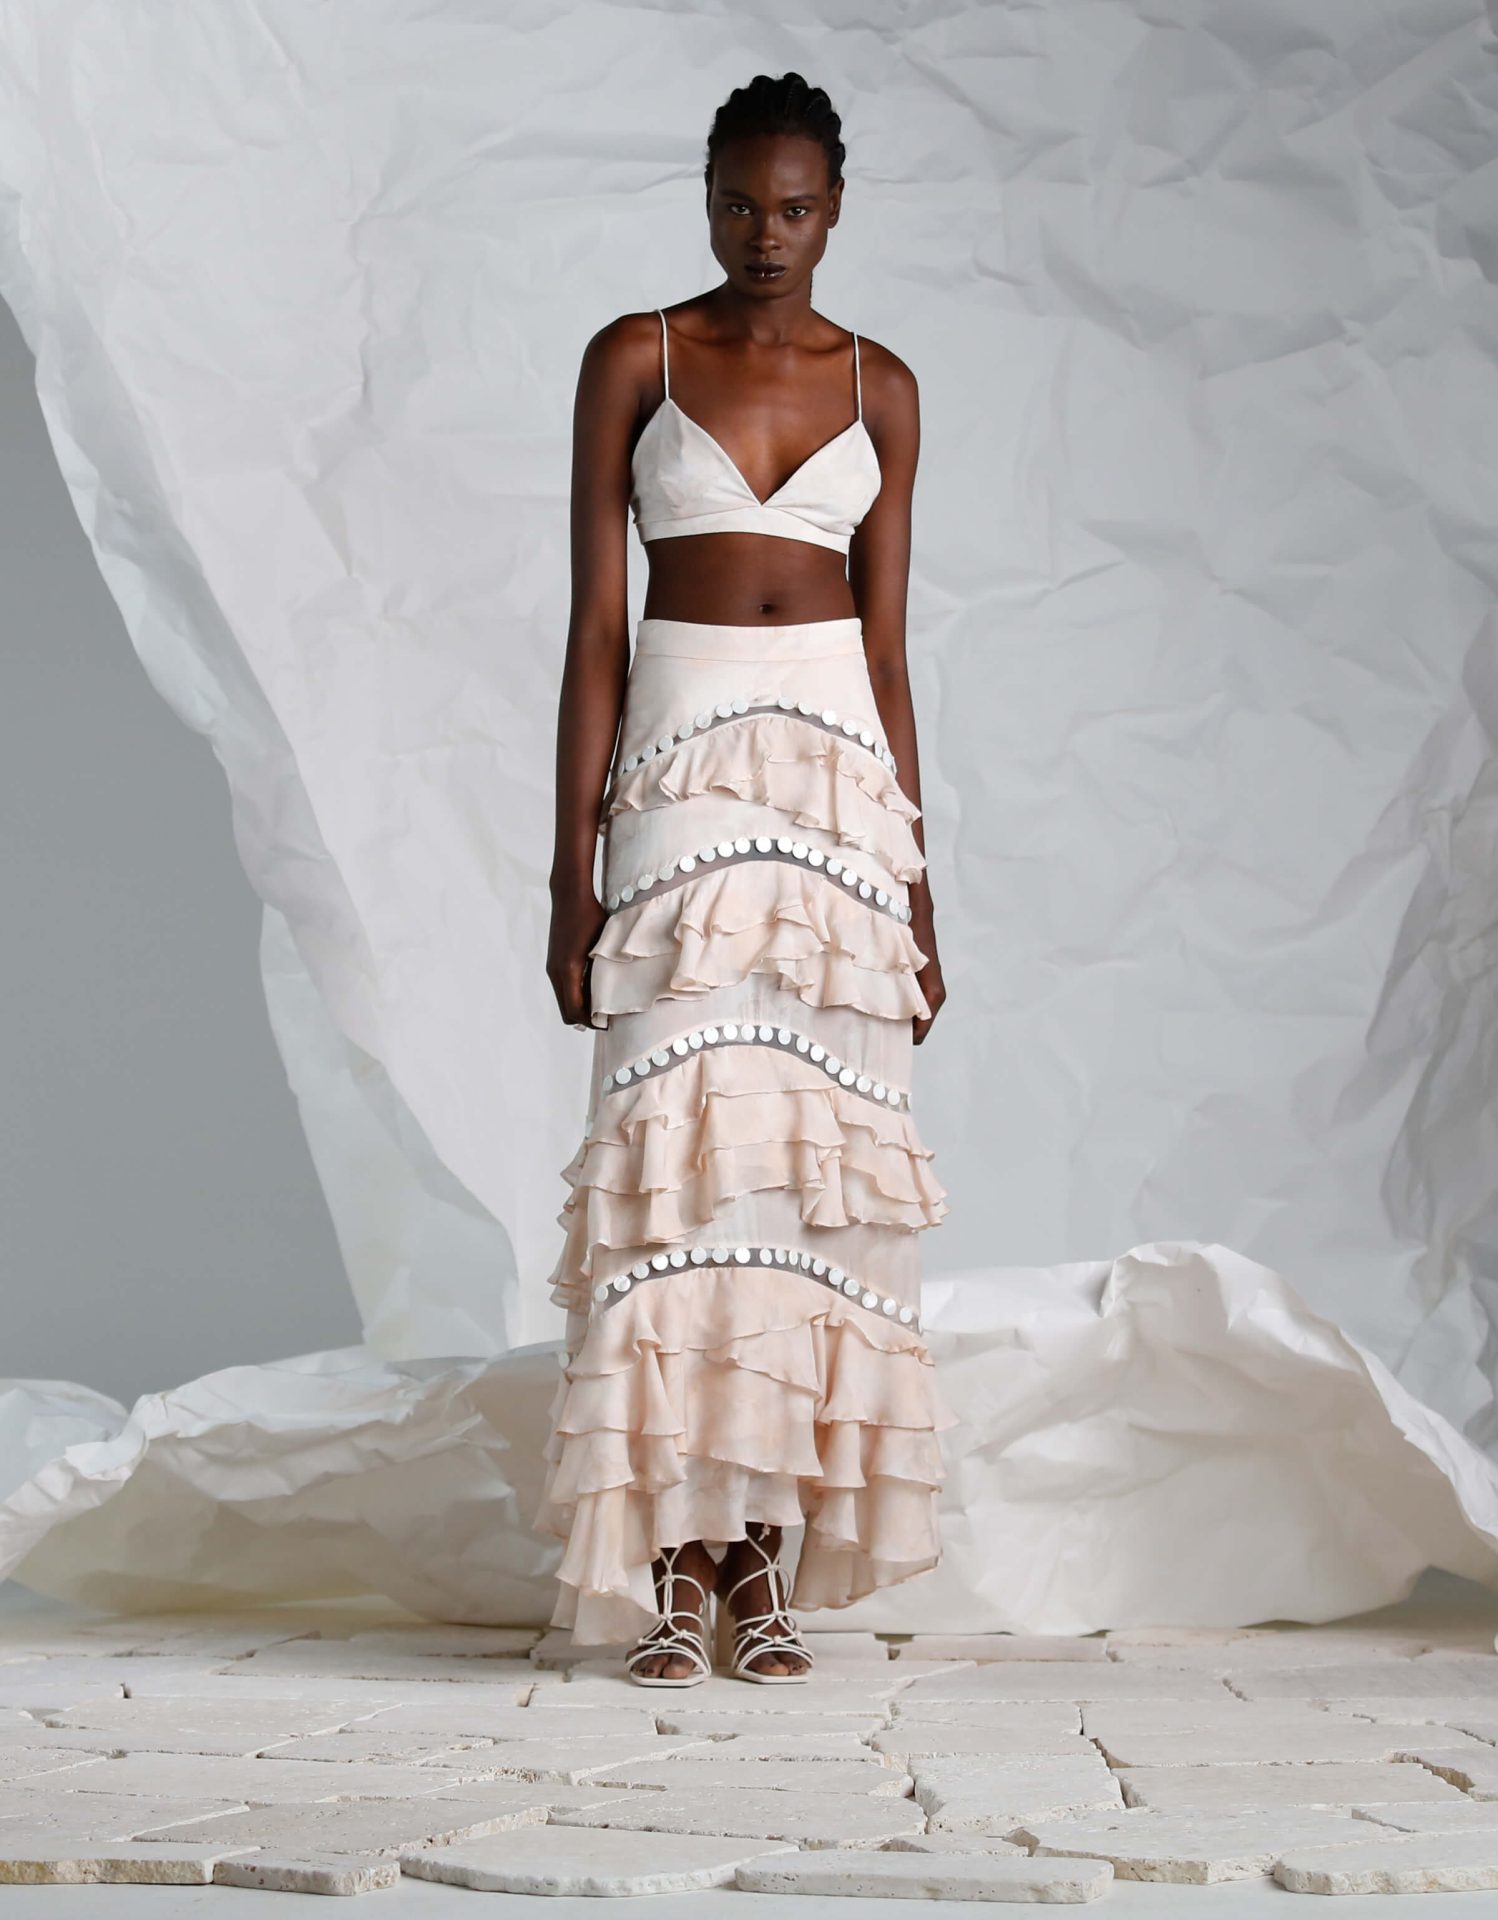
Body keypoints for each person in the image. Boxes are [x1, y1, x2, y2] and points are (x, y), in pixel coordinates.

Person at [536, 70, 951, 1687]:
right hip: (679, 766)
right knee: (675, 1171)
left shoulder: (882, 383)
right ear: (703, 198)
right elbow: (595, 630)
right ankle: (671, 1569)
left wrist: (920, 894)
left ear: (834, 209)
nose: (762, 235)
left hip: (837, 788)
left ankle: (762, 1569)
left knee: (800, 1190)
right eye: (735, 203)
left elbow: (892, 654)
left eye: (791, 207)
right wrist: (569, 880)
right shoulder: (635, 357)